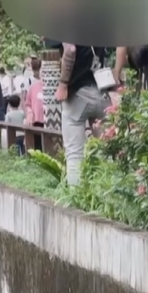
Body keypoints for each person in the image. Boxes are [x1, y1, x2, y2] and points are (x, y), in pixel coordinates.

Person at [52, 41, 109, 186]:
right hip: (101, 93)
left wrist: (63, 83)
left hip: (77, 96)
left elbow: (70, 49)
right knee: (106, 153)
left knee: (74, 155)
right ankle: (107, 198)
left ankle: (76, 199)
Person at [23, 58, 45, 151]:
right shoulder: (33, 86)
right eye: (42, 69)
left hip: (52, 123)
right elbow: (27, 103)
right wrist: (29, 113)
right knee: (37, 147)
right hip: (37, 122)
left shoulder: (56, 86)